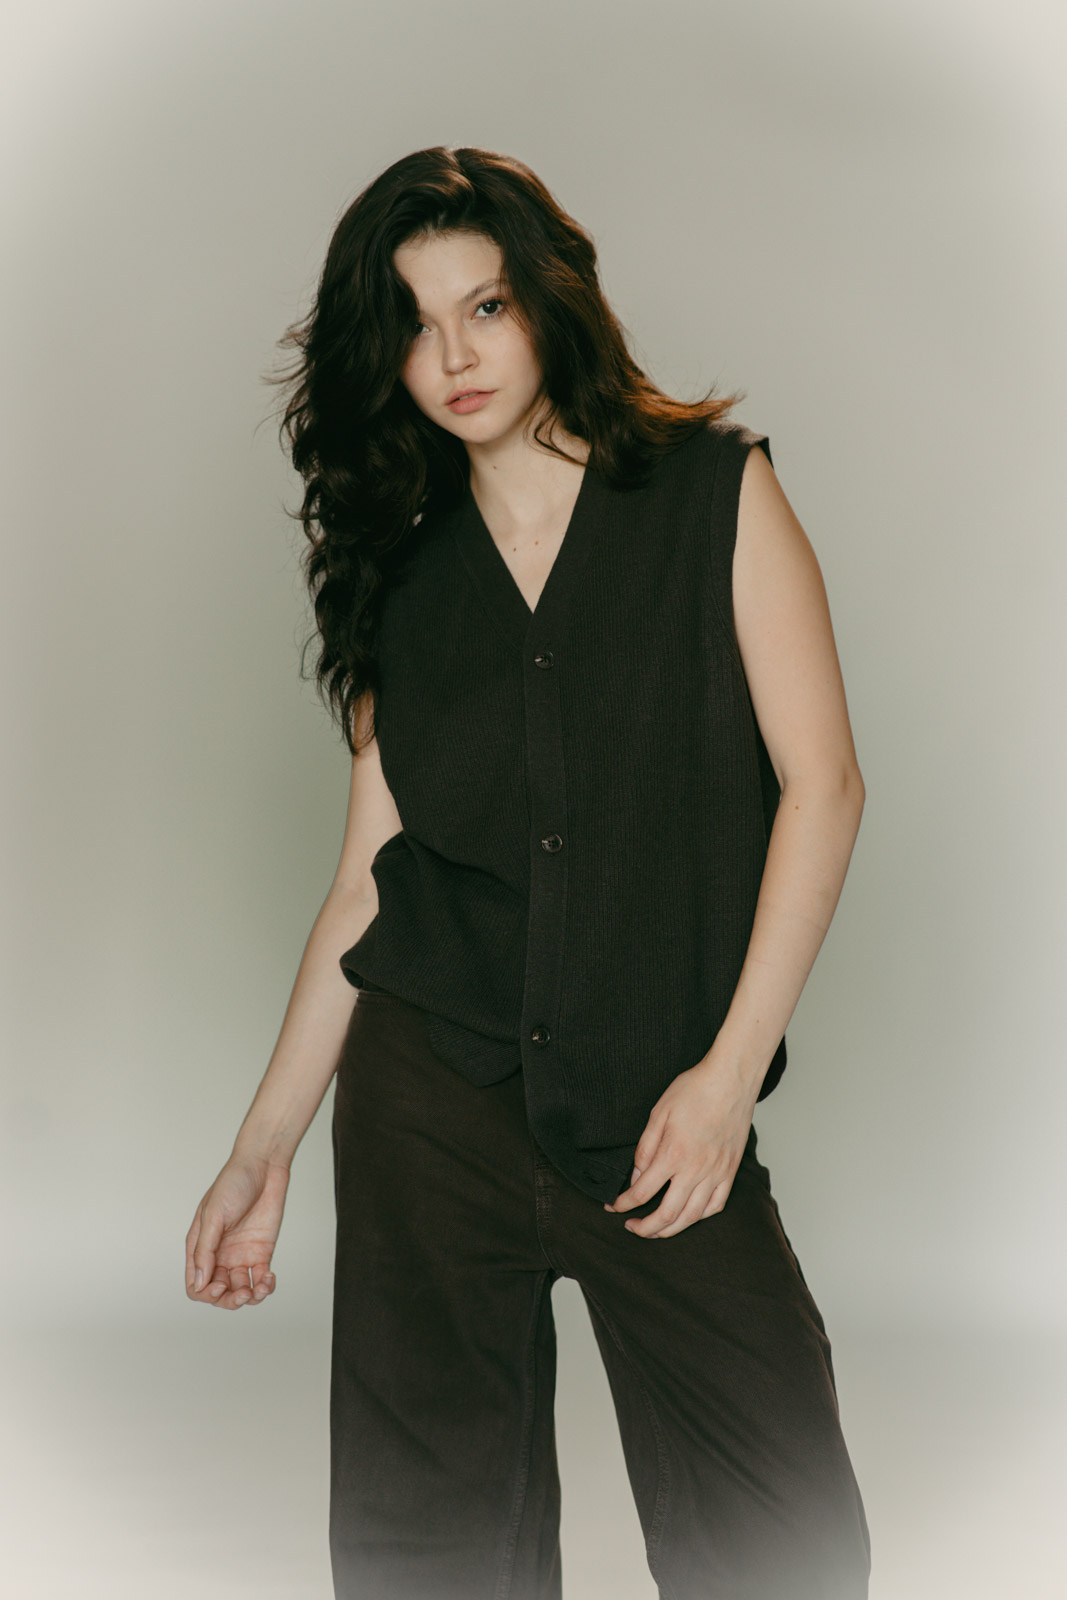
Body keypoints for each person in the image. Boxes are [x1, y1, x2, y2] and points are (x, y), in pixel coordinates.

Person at [185, 145, 872, 1600]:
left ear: (550, 303)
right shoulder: (401, 576)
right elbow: (367, 883)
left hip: (659, 1104)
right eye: (416, 325)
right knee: (430, 1556)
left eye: (485, 307)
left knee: (784, 1536)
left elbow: (824, 789)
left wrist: (725, 1080)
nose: (455, 356)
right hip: (431, 1113)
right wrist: (264, 1148)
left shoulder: (713, 494)